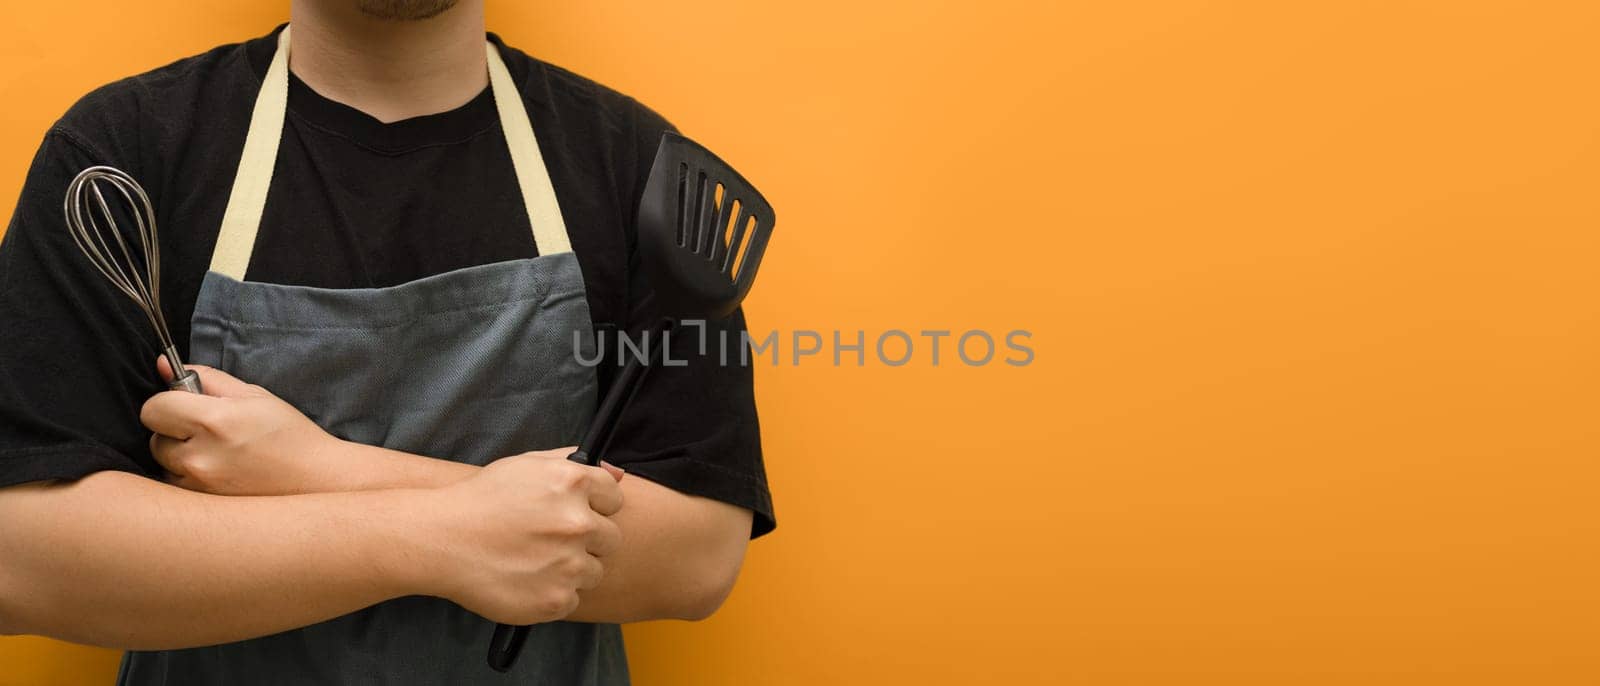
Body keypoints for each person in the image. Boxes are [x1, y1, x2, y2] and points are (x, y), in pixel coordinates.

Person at [0, 1, 775, 683]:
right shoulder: (127, 148)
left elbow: (697, 557)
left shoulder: (631, 163)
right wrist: (437, 536)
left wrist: (319, 468)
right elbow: (21, 559)